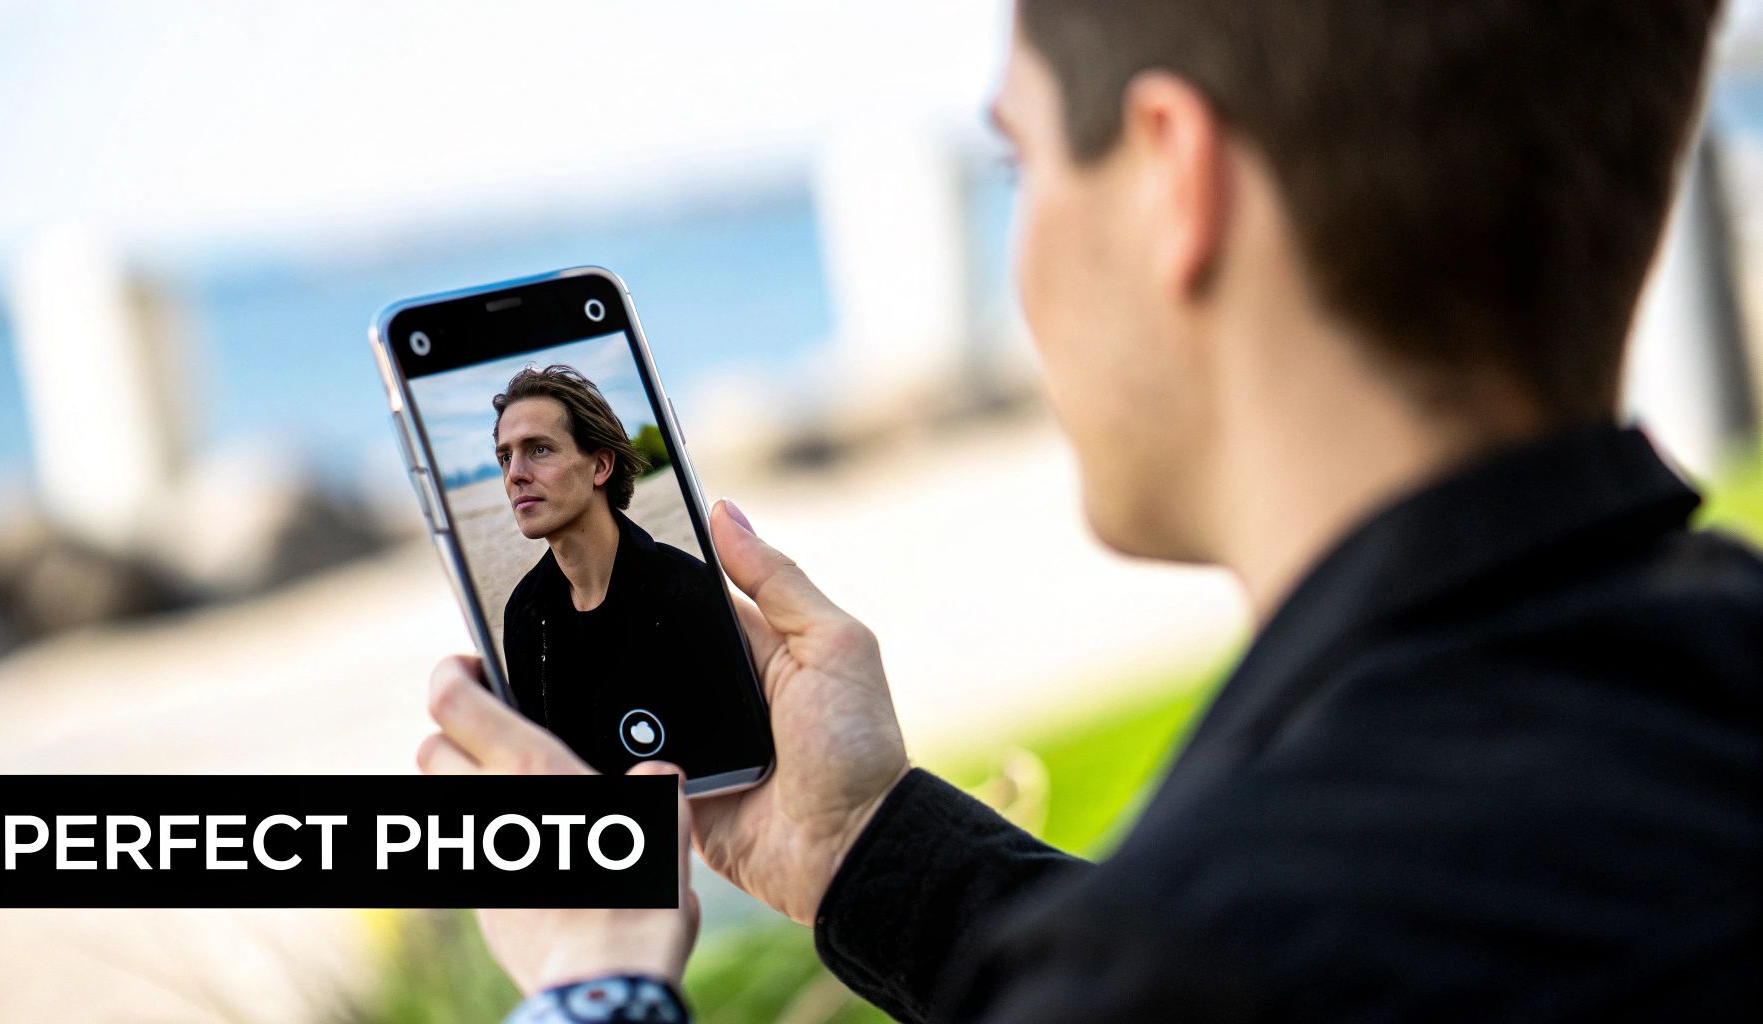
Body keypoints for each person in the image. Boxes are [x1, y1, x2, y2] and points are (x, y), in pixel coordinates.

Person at [418, 2, 1763, 1020]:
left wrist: (596, 981)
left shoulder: (1221, 950)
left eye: (1021, 165)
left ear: (1178, 177)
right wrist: (858, 848)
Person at [494, 365, 723, 775]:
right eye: (505, 456)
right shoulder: (523, 613)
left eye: (539, 449)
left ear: (600, 466)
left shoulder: (689, 590)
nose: (515, 474)